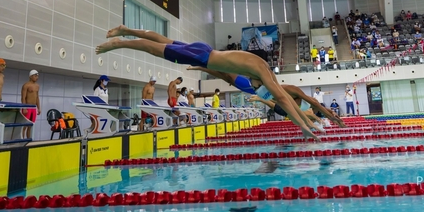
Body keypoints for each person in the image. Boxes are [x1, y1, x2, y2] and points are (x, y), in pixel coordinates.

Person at [97, 25, 320, 139]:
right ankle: (120, 42)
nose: (253, 87)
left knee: (163, 40)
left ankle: (126, 30)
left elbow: (285, 100)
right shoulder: (263, 74)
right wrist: (303, 127)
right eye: (255, 87)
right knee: (154, 48)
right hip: (201, 56)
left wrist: (307, 123)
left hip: (204, 51)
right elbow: (282, 99)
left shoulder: (262, 67)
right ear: (259, 83)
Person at [187, 66, 344, 127]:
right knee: (228, 74)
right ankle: (204, 66)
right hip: (257, 86)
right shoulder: (294, 92)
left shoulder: (291, 104)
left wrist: (331, 118)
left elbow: (310, 115)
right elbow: (316, 105)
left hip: (253, 89)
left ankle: (203, 67)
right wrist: (333, 117)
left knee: (227, 76)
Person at [21, 70, 41, 139]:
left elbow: (37, 97)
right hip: (27, 107)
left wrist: (39, 108)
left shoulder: (37, 86)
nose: (37, 77)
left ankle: (28, 140)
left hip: (34, 108)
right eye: (35, 76)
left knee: (30, 125)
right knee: (24, 126)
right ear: (31, 76)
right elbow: (23, 98)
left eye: (37, 76)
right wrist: (24, 108)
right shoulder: (26, 85)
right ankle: (22, 140)